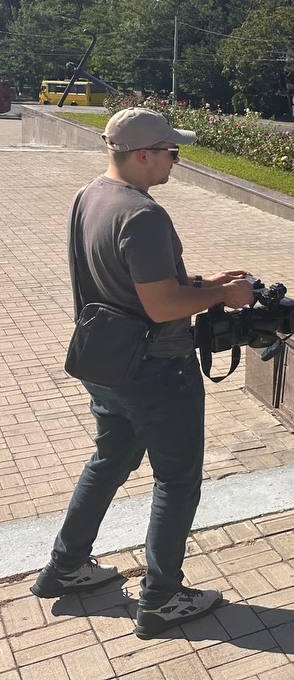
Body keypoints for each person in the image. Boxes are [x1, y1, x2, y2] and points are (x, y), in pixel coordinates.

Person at [33, 107, 255, 640]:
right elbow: (160, 306)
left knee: (110, 458)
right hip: (155, 368)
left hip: (104, 359)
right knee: (176, 480)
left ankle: (65, 566)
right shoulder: (143, 215)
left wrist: (202, 280)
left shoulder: (90, 195)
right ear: (142, 154)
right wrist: (224, 295)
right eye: (171, 152)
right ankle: (160, 600)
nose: (176, 161)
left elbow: (127, 285)